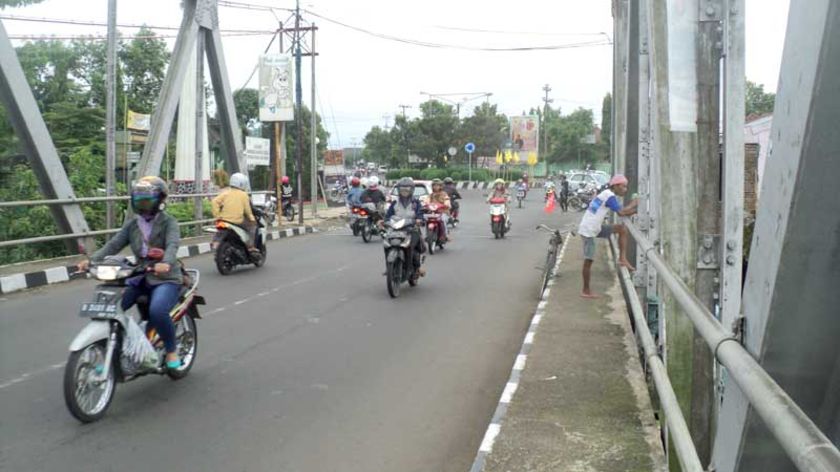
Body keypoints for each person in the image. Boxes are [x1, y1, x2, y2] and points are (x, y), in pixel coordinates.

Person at [77, 176, 183, 369]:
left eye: (147, 200)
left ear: (160, 200)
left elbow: (173, 244)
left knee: (157, 310)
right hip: (140, 275)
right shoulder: (132, 225)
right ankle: (111, 353)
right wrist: (91, 261)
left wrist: (166, 262)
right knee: (109, 307)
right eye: (139, 200)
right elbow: (114, 244)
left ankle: (171, 350)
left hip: (165, 277)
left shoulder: (169, 222)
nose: (143, 204)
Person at [578, 174, 638, 299]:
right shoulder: (609, 196)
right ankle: (585, 290)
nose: (625, 190)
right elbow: (621, 213)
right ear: (615, 186)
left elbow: (622, 211)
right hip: (589, 230)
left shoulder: (606, 194)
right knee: (588, 260)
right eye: (623, 186)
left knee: (621, 229)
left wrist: (633, 207)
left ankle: (622, 258)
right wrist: (635, 207)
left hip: (595, 227)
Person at [383, 177, 426, 278]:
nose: (405, 192)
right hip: (395, 229)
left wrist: (419, 220)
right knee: (387, 245)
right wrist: (383, 221)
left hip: (411, 229)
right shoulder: (394, 203)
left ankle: (417, 267)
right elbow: (388, 215)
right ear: (399, 190)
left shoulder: (416, 203)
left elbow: (420, 214)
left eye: (407, 189)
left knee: (413, 248)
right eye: (402, 189)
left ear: (411, 190)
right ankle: (388, 267)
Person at [212, 172, 259, 255]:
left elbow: (214, 201)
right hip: (237, 221)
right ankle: (250, 247)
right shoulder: (244, 195)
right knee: (253, 227)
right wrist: (252, 219)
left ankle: (215, 242)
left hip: (224, 219)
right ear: (242, 183)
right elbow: (248, 210)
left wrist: (217, 215)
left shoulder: (226, 193)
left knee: (219, 230)